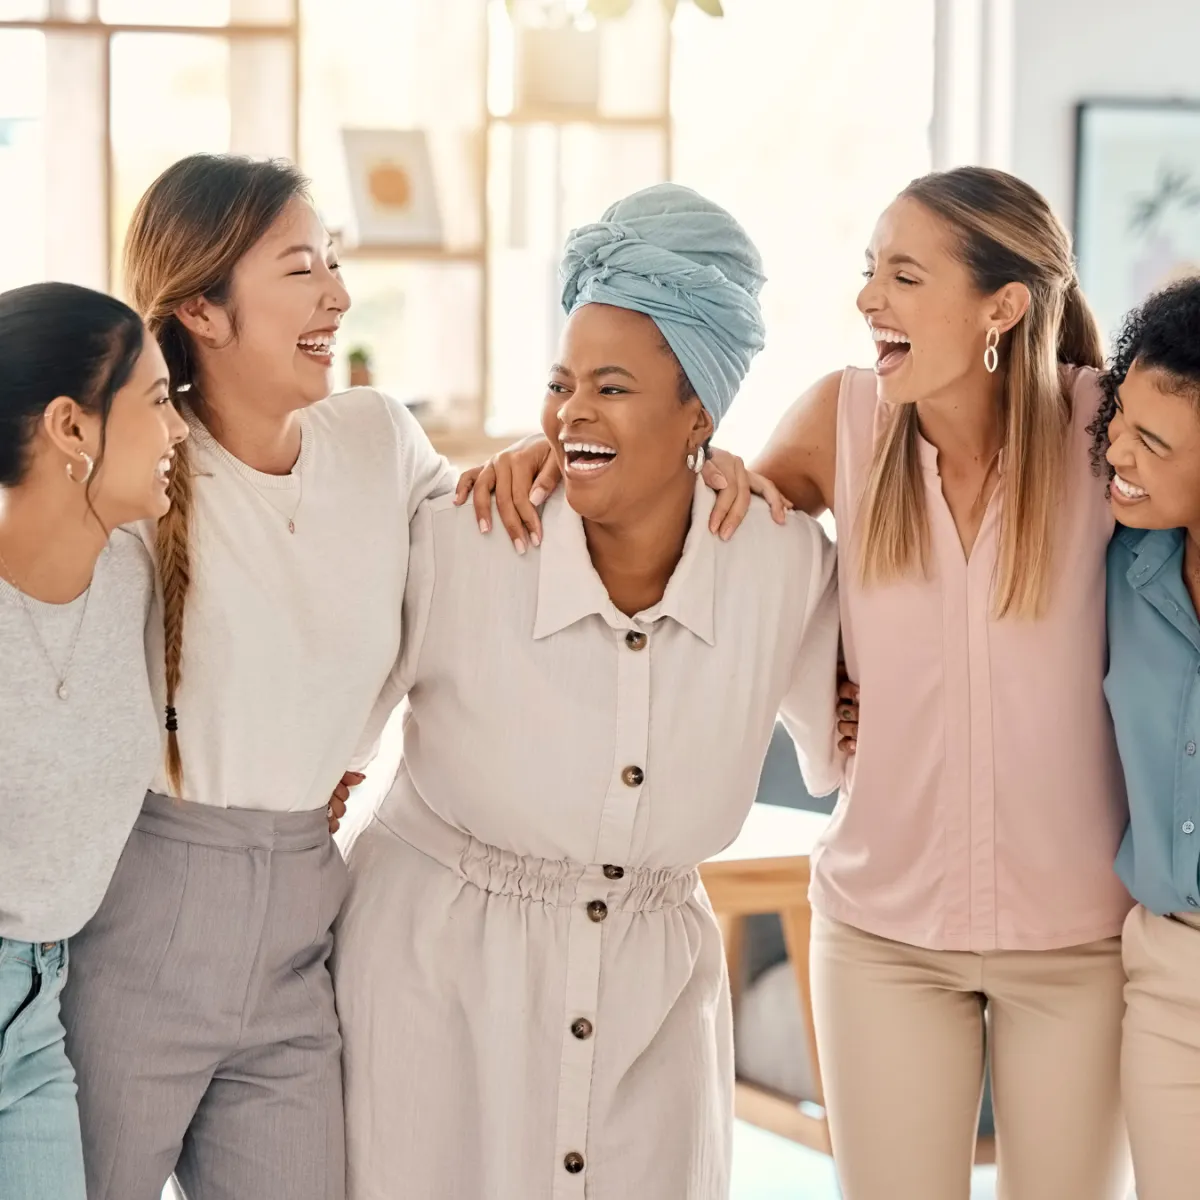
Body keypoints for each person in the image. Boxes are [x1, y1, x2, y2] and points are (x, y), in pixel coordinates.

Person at [463, 167, 1133, 1200]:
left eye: (905, 277)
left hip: (1080, 943)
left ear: (1002, 306)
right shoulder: (845, 420)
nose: (870, 301)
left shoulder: (1106, 433)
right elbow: (701, 525)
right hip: (885, 940)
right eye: (871, 273)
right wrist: (551, 450)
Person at [333, 183, 842, 1200]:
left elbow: (855, 738)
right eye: (563, 383)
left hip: (652, 1007)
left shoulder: (780, 567)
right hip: (431, 992)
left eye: (612, 387)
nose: (572, 413)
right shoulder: (459, 538)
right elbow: (322, 745)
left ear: (700, 410)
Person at [58, 154, 456, 1200]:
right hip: (138, 926)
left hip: (306, 914)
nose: (337, 294)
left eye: (333, 263)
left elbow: (493, 568)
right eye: (301, 269)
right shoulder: (134, 475)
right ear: (205, 309)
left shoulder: (379, 438)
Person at [0, 281, 187, 1200]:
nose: (178, 432)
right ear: (71, 428)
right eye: (156, 403)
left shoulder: (137, 577)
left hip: (39, 1017)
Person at [1094, 278, 1200, 1200]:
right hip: (1169, 973)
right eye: (1121, 416)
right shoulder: (1123, 560)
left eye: (1151, 443)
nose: (1116, 452)